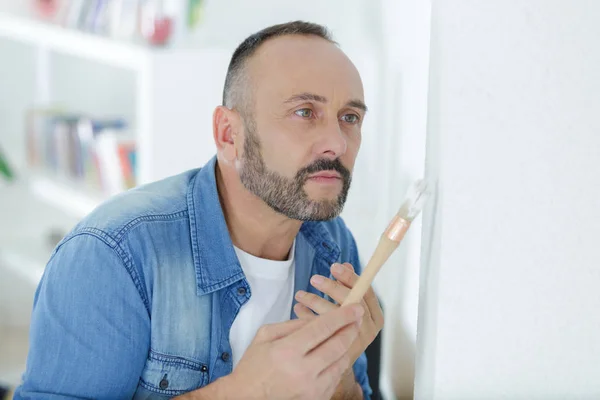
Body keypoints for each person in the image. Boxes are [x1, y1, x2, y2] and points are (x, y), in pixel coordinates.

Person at [14, 21, 384, 400]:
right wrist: (240, 392)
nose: (337, 143)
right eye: (305, 112)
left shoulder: (332, 246)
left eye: (350, 118)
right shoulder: (112, 256)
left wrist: (341, 382)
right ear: (229, 135)